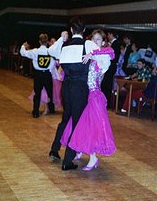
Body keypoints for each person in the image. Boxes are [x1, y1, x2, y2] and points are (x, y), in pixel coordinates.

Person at [60, 30, 116, 171]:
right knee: (79, 125)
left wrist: (93, 53)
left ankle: (93, 158)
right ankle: (79, 150)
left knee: (90, 128)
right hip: (84, 95)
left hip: (94, 96)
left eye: (99, 40)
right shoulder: (90, 55)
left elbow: (110, 52)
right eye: (93, 39)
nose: (95, 42)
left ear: (103, 42)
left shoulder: (103, 58)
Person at [48, 16, 99, 171]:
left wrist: (60, 38)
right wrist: (93, 54)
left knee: (66, 118)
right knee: (77, 122)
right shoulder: (88, 44)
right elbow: (106, 54)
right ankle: (67, 161)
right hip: (79, 88)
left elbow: (51, 51)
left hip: (66, 87)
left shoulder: (64, 45)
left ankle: (55, 149)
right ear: (84, 31)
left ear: (70, 30)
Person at [20, 33, 56, 118]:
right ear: (47, 42)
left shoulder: (35, 51)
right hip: (47, 74)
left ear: (39, 41)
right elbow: (53, 62)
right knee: (50, 92)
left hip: (38, 75)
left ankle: (35, 111)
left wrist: (23, 46)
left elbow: (23, 53)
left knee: (37, 93)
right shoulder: (50, 51)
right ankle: (51, 109)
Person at [101, 30, 120, 108]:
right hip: (110, 66)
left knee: (107, 84)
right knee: (105, 83)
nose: (108, 36)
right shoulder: (113, 44)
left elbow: (114, 57)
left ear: (112, 35)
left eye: (108, 35)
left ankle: (107, 102)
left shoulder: (115, 44)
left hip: (111, 66)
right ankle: (105, 101)